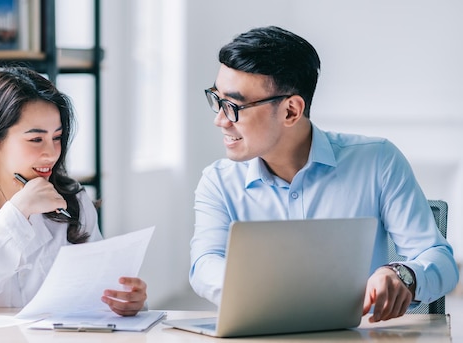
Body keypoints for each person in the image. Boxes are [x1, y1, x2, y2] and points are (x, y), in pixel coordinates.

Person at [189, 26, 459, 322]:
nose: (220, 120)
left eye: (233, 106)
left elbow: (441, 261)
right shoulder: (218, 181)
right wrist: (266, 294)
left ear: (291, 111)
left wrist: (402, 275)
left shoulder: (378, 161)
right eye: (217, 100)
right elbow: (204, 264)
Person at [0, 67, 147, 315]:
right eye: (36, 140)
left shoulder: (72, 198)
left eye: (57, 138)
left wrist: (126, 300)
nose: (51, 153)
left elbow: (99, 290)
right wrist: (19, 211)